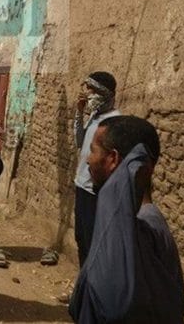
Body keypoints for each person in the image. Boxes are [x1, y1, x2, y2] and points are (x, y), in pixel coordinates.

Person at [69, 115, 184, 323]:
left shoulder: (140, 229)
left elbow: (115, 306)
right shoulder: (135, 224)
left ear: (113, 159)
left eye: (93, 151)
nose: (88, 160)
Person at [73, 71, 120, 267]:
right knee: (81, 238)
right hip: (81, 185)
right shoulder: (94, 116)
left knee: (93, 241)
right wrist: (79, 113)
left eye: (91, 90)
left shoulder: (114, 121)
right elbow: (79, 141)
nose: (88, 94)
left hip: (95, 190)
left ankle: (92, 282)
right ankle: (83, 280)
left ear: (103, 94)